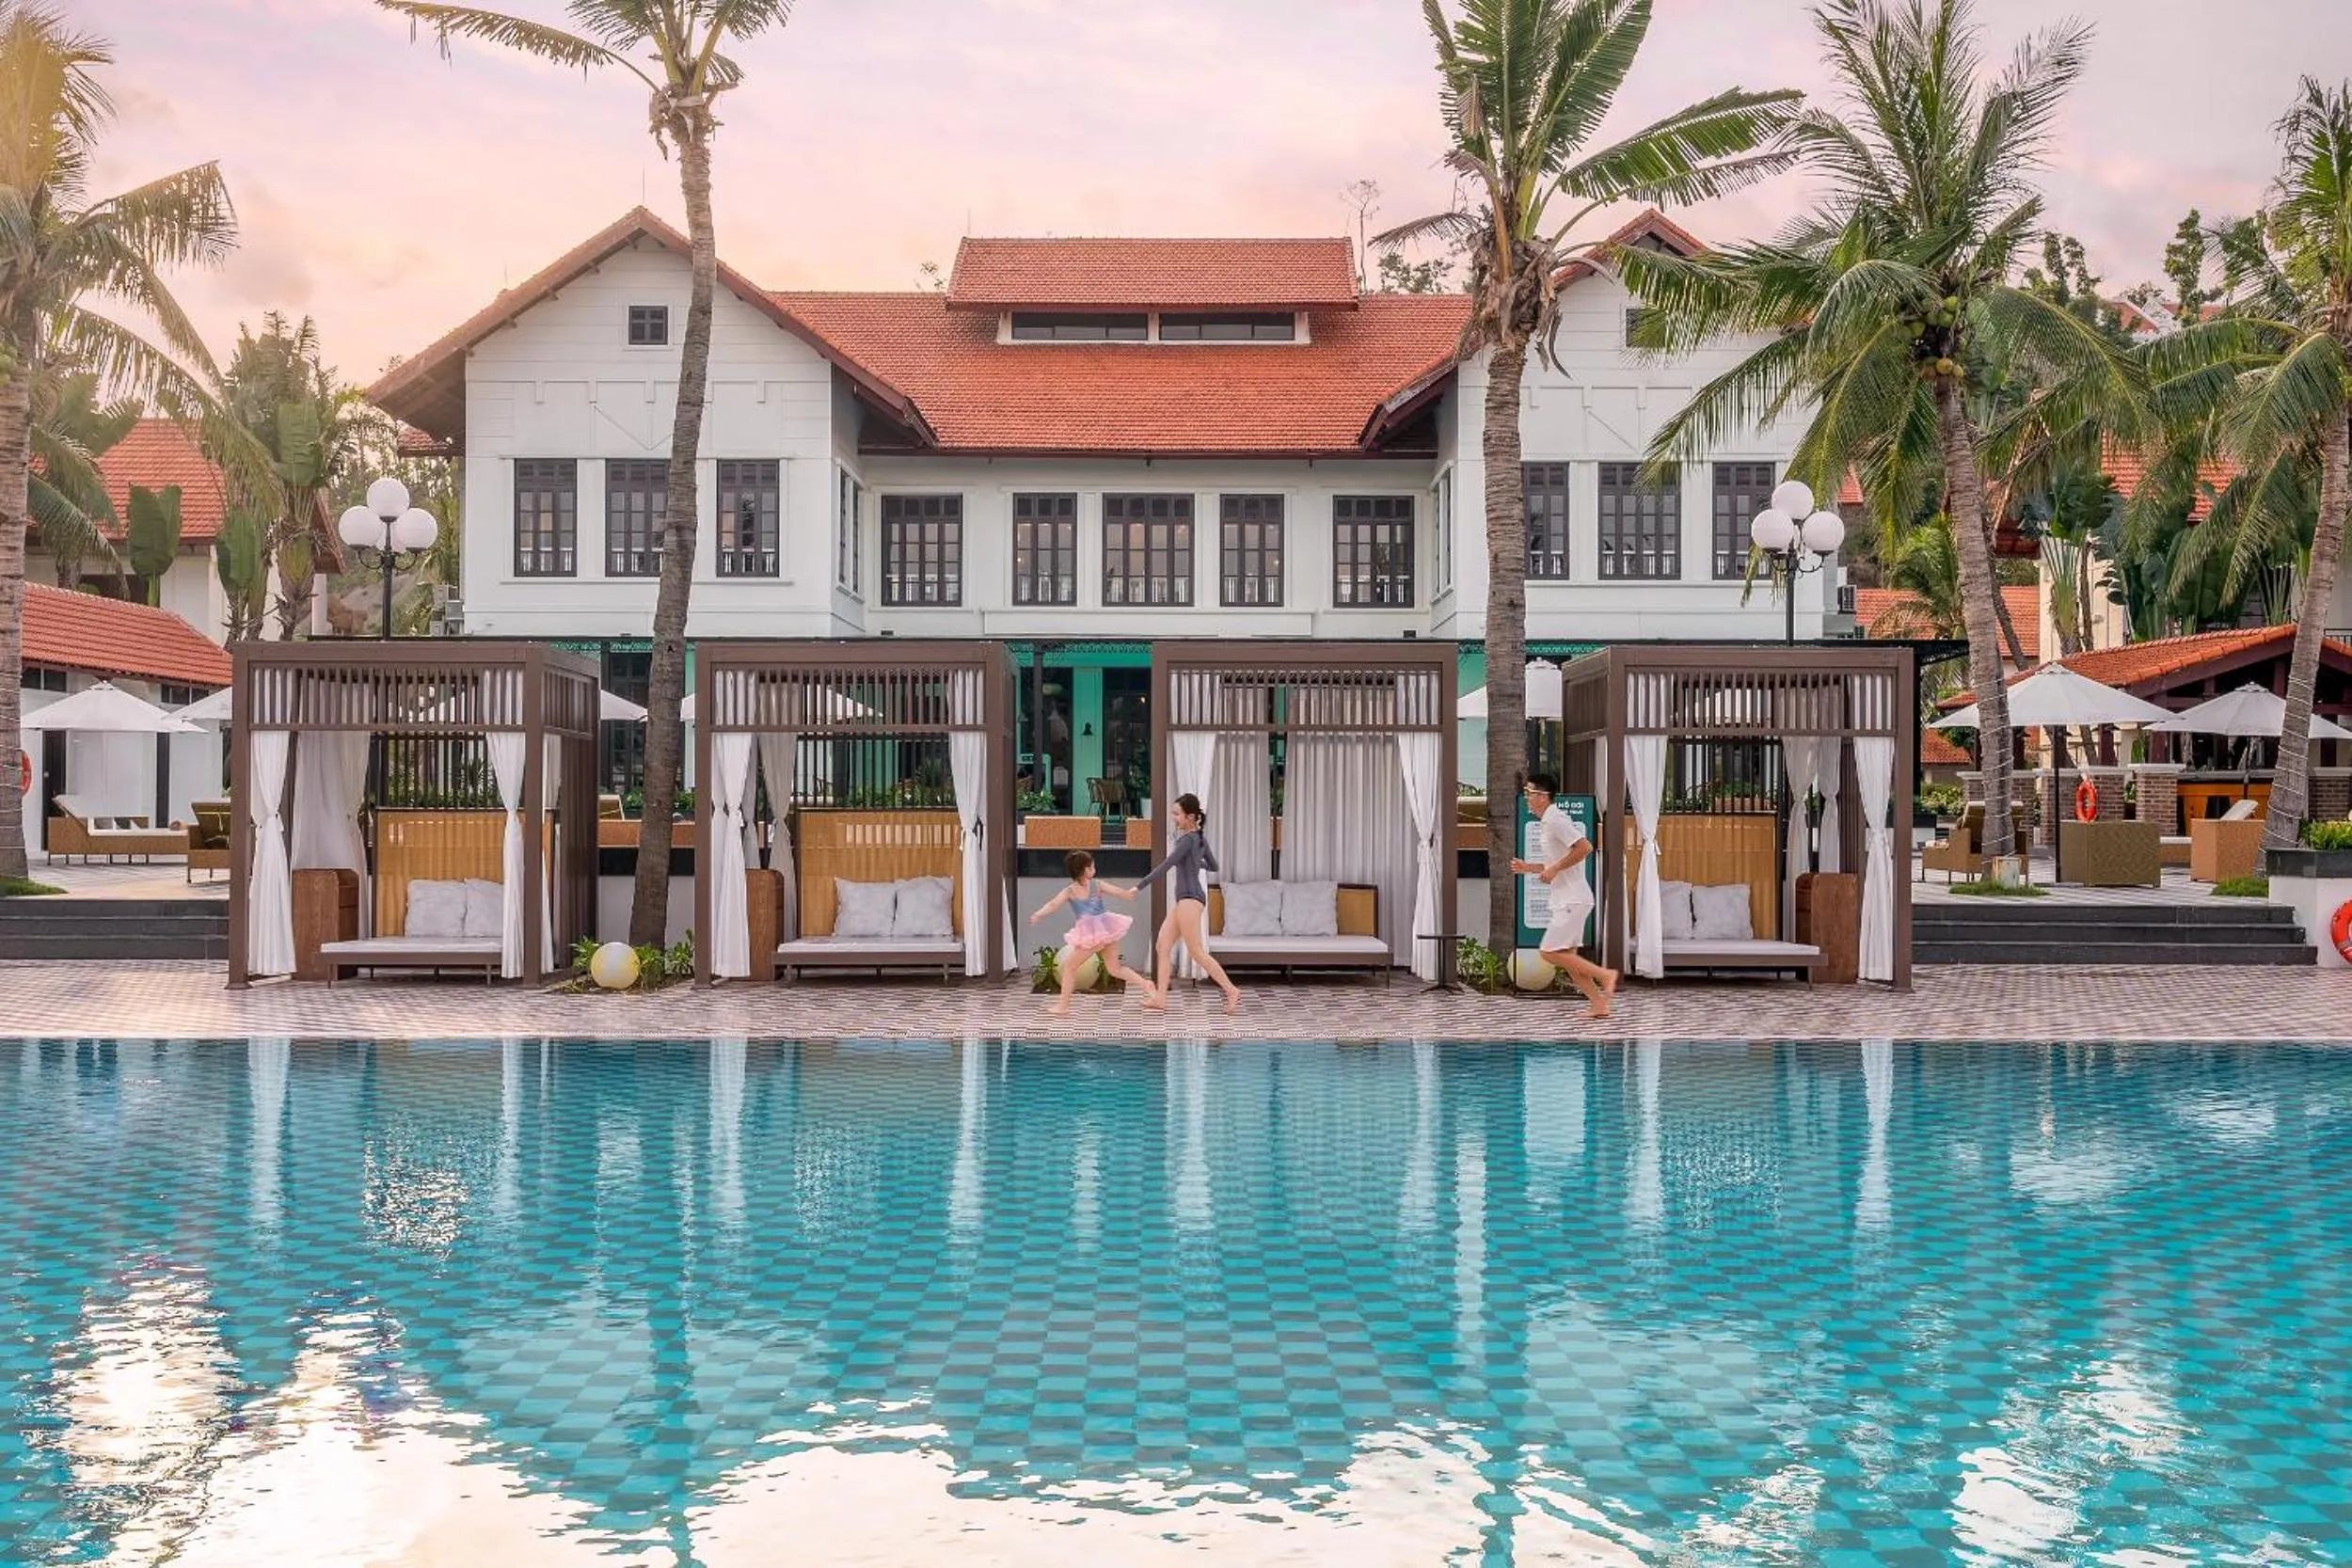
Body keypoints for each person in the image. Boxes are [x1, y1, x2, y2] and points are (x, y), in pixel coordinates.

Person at [1508, 772, 1619, 1019]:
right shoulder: (1548, 821)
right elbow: (1553, 863)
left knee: (1549, 952)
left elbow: (1585, 847)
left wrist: (1555, 869)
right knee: (1568, 959)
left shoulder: (1556, 819)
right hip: (1568, 899)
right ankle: (1599, 1005)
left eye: (1530, 793)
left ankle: (1605, 975)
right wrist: (1529, 867)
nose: (1526, 798)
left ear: (1542, 797)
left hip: (1572, 899)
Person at [1137, 793, 1242, 1014]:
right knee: (1162, 946)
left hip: (1189, 900)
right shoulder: (1199, 839)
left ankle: (1231, 990)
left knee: (1196, 952)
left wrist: (1140, 885)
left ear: (1191, 816)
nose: (1173, 818)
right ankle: (1160, 998)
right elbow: (1213, 866)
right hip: (1187, 900)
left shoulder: (1187, 840)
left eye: (1177, 814)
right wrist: (1196, 864)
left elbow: (1167, 864)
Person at [1028, 849, 1155, 1015]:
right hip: (1107, 929)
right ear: (1085, 870)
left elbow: (1053, 904)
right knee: (1114, 968)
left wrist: (1038, 914)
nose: (1094, 868)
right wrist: (1130, 893)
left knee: (1069, 967)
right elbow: (1121, 893)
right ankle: (1146, 985)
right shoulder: (1098, 884)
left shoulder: (1070, 891)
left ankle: (1063, 1006)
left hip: (1091, 935)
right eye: (1092, 866)